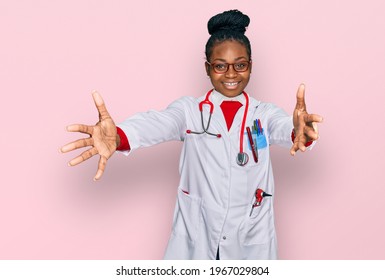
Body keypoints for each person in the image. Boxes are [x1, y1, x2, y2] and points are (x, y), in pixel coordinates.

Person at [61, 10, 323, 259]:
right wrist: (119, 137)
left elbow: (283, 126)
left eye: (240, 65)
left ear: (251, 66)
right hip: (196, 239)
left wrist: (300, 131)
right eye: (220, 66)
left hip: (251, 241)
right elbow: (158, 123)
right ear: (207, 68)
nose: (231, 74)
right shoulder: (189, 110)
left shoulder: (262, 114)